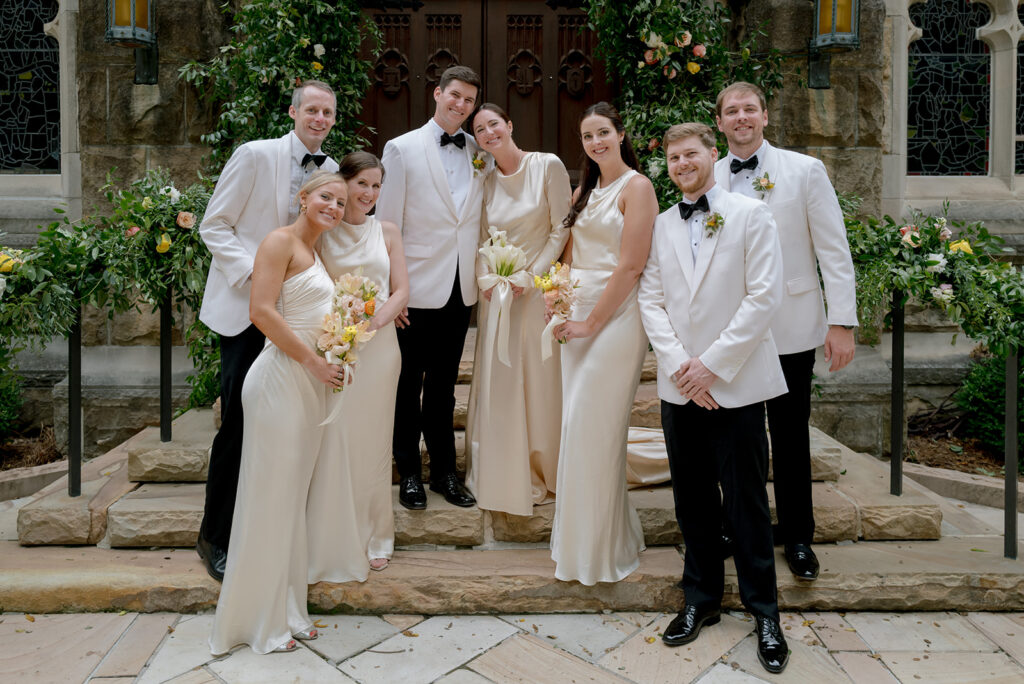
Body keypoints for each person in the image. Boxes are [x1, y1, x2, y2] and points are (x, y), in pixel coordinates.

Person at [637, 123, 789, 674]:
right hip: (681, 389)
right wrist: (682, 369)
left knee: (746, 500)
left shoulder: (752, 215)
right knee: (692, 499)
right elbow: (650, 299)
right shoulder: (659, 225)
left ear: (711, 154)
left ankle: (765, 611)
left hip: (738, 384)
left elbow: (764, 296)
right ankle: (700, 600)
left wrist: (711, 368)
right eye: (673, 157)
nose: (682, 163)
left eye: (691, 154)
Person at [714, 81, 858, 581]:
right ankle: (738, 527)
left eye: (748, 109)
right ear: (719, 123)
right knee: (736, 441)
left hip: (792, 328)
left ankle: (798, 536)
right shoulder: (707, 177)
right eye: (731, 111)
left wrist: (840, 321)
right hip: (730, 335)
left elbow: (833, 250)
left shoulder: (804, 171)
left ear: (765, 115)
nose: (741, 118)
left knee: (790, 436)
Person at [196, 81, 339, 581]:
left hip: (297, 317)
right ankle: (216, 536)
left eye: (327, 112)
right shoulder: (254, 155)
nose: (319, 118)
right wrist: (256, 276)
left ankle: (272, 530)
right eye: (312, 110)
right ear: (294, 111)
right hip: (244, 313)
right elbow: (214, 225)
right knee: (237, 423)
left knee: (284, 427)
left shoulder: (333, 173)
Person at [210, 171, 348, 655]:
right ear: (303, 198)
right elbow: (261, 311)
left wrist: (338, 353)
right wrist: (313, 361)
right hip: (278, 382)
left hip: (310, 384)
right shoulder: (279, 241)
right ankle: (260, 621)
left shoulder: (318, 251)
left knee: (291, 500)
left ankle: (289, 608)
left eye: (341, 201)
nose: (333, 206)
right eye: (325, 197)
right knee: (270, 498)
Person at [549, 102, 658, 585]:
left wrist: (591, 322)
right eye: (588, 136)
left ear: (620, 134)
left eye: (603, 133)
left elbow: (631, 266)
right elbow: (568, 258)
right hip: (576, 317)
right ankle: (591, 540)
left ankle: (598, 554)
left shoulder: (638, 188)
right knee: (578, 428)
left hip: (614, 321)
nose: (596, 142)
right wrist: (557, 303)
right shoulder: (584, 191)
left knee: (595, 427)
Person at [376, 65, 485, 510]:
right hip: (414, 289)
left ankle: (444, 473)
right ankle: (409, 474)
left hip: (460, 289)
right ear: (437, 93)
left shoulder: (481, 151)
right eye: (454, 96)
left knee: (443, 387)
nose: (460, 106)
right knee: (406, 383)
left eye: (469, 101)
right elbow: (387, 223)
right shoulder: (401, 149)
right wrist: (392, 290)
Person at [464, 103, 571, 515]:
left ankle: (543, 465)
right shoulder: (485, 180)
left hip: (535, 291)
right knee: (501, 377)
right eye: (480, 129)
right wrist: (485, 280)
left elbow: (562, 225)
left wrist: (533, 274)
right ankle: (500, 465)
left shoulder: (547, 165)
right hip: (498, 294)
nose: (489, 132)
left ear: (509, 125)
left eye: (494, 124)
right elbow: (477, 235)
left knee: (538, 375)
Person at [307, 151, 409, 578]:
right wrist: (344, 328)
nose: (369, 193)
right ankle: (333, 532)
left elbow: (402, 290)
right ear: (343, 183)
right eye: (362, 183)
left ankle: (376, 534)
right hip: (337, 347)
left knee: (374, 442)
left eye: (376, 186)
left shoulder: (386, 231)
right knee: (338, 440)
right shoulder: (323, 234)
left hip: (380, 348)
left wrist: (375, 319)